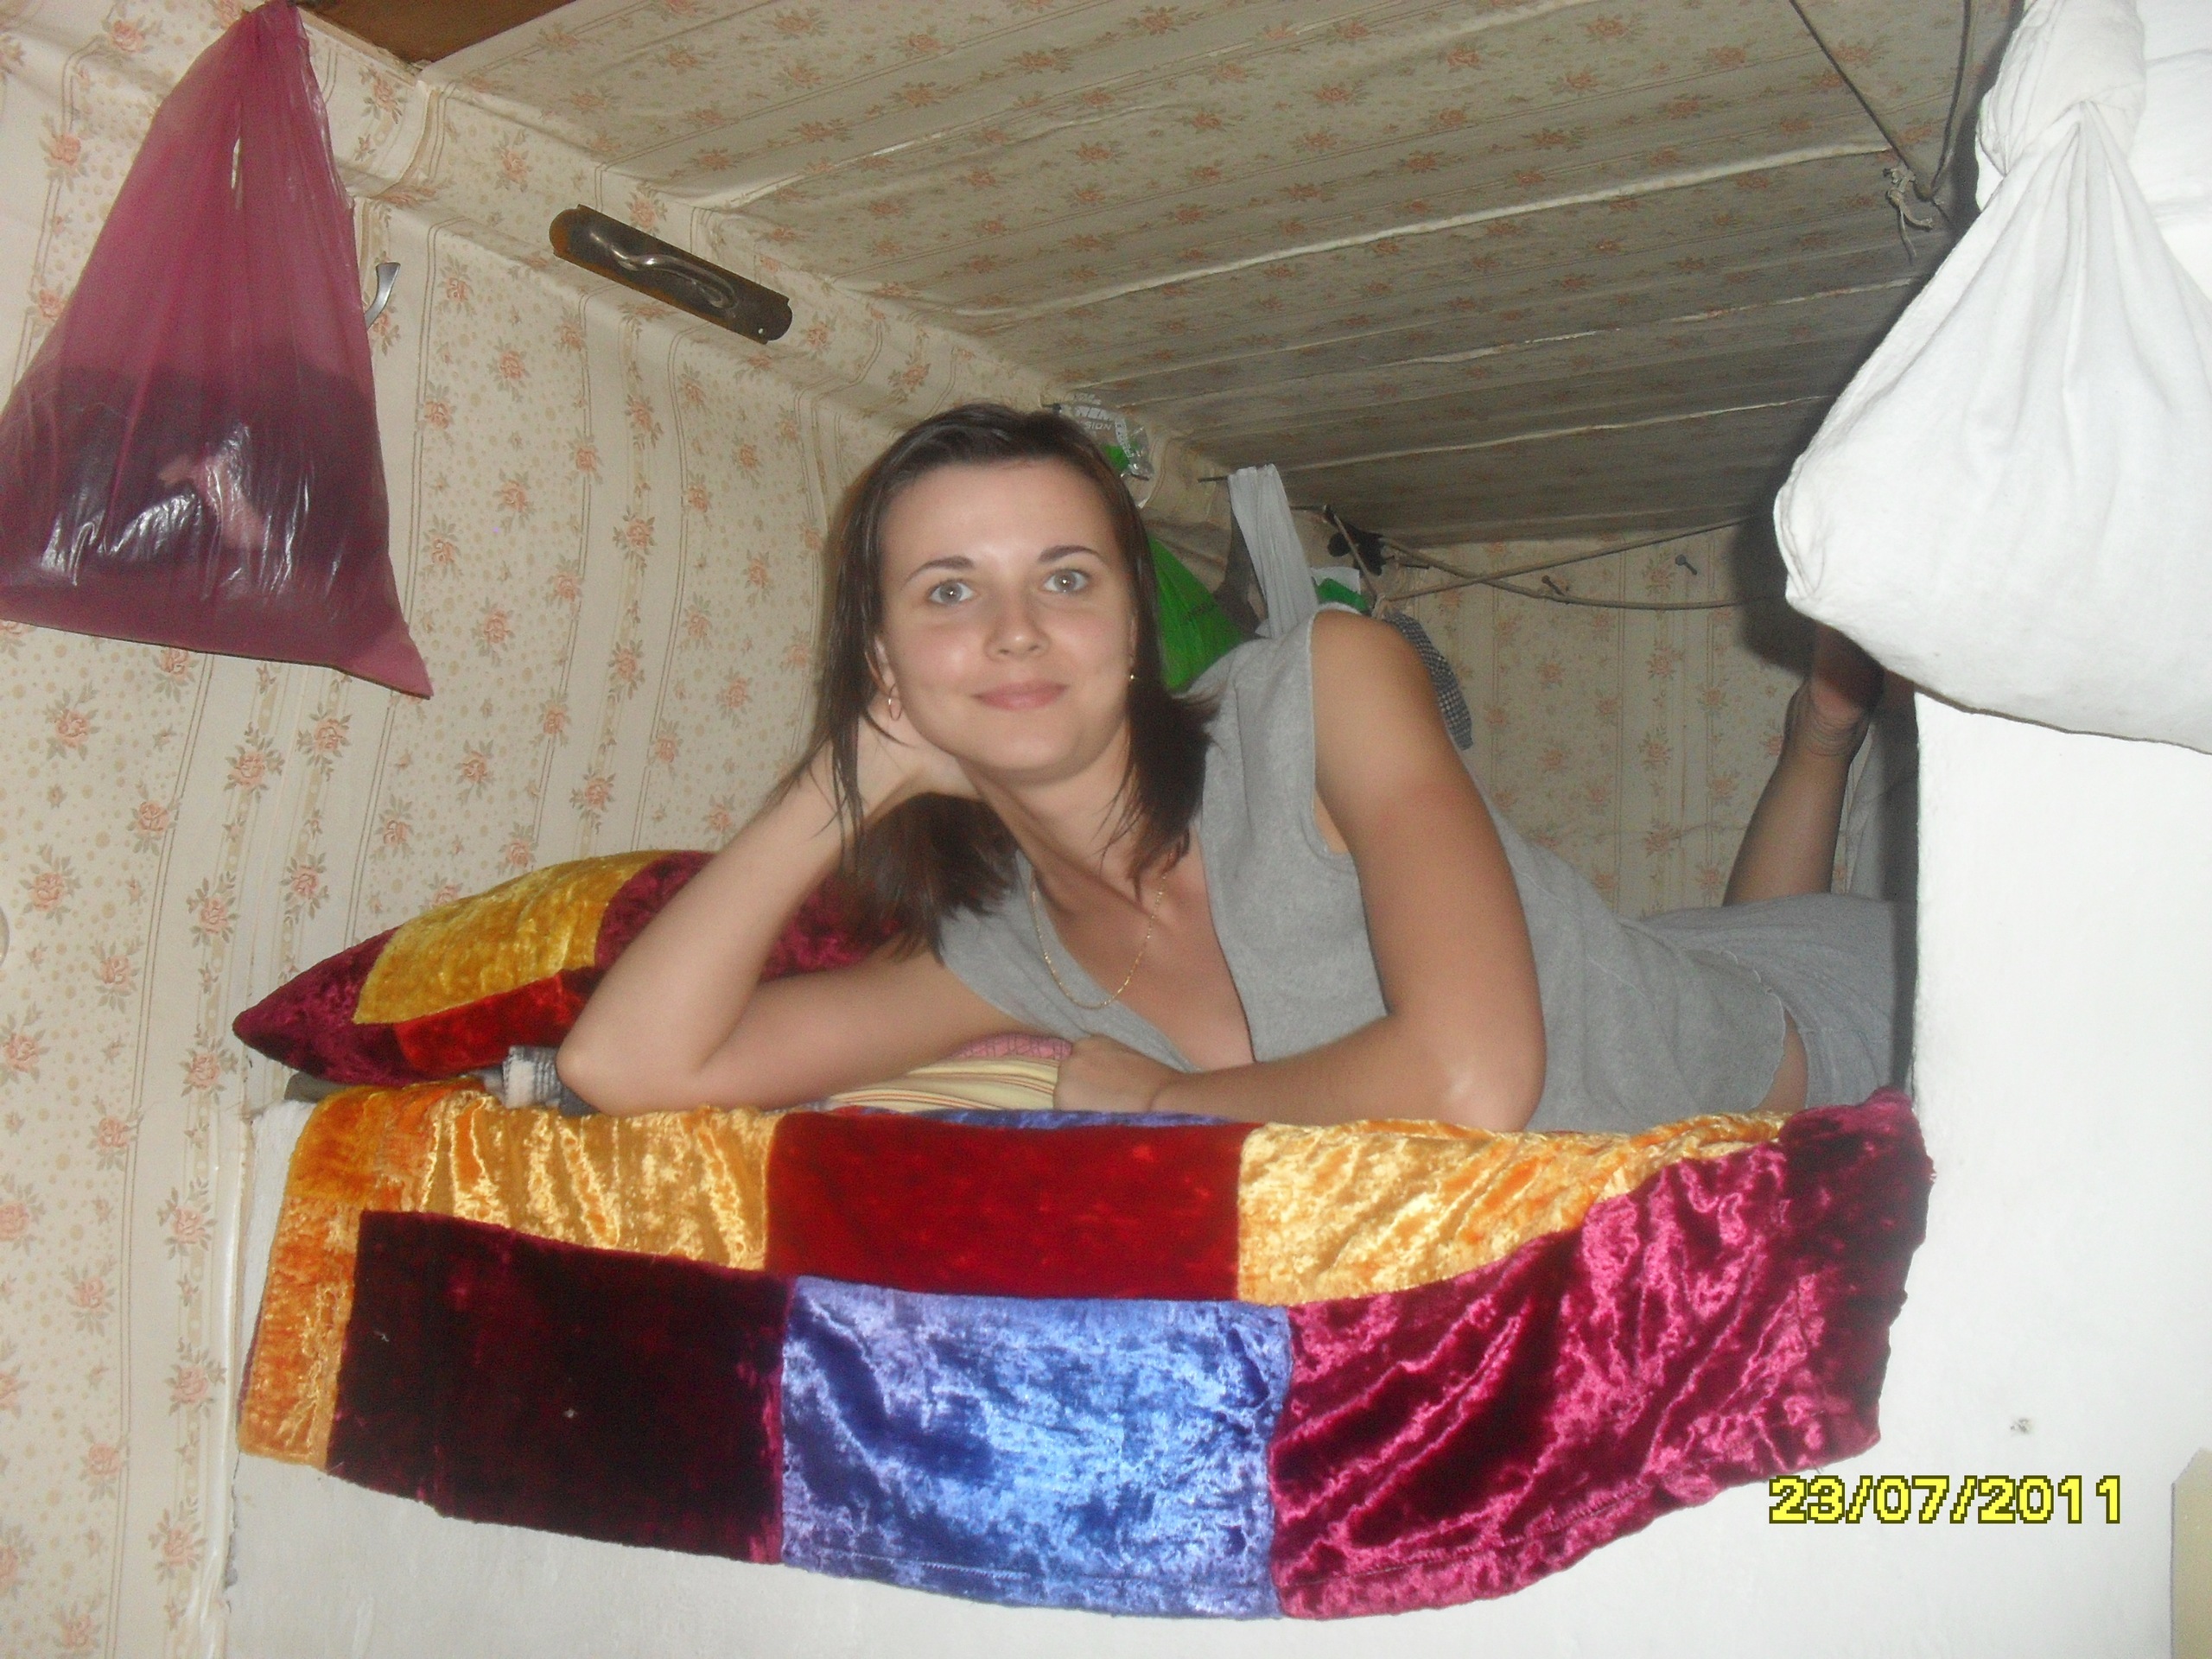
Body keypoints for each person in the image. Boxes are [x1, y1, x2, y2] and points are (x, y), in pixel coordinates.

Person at [558, 404, 1904, 1131]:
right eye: (950, 592)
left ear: (1134, 629)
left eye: (1065, 579)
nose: (1015, 630)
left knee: (1726, 972)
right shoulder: (1003, 952)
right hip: (1668, 964)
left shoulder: (1326, 687)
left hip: (1856, 1012)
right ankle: (1825, 735)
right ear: (884, 656)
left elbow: (1472, 1083)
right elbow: (625, 1065)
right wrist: (849, 770)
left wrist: (1169, 1100)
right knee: (1669, 957)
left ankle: (1824, 735)